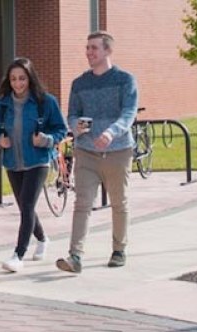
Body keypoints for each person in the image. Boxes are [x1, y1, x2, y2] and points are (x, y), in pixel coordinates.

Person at [57, 31, 139, 272]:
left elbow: (128, 113)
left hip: (118, 151)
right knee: (82, 203)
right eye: (87, 48)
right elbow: (72, 114)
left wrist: (111, 132)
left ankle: (119, 249)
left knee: (118, 202)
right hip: (87, 152)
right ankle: (75, 256)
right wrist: (76, 126)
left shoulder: (125, 80)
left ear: (108, 51)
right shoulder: (79, 83)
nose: (89, 52)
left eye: (94, 48)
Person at [0, 58, 68, 273]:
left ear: (30, 78)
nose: (18, 83)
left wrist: (46, 140)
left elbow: (61, 129)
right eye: (13, 79)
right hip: (12, 163)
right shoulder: (1, 105)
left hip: (38, 162)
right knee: (25, 206)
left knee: (28, 206)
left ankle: (18, 255)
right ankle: (42, 239)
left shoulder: (46, 102)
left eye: (22, 78)